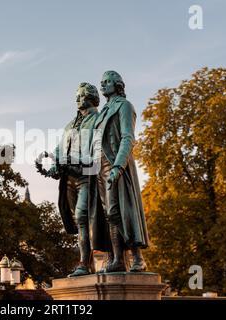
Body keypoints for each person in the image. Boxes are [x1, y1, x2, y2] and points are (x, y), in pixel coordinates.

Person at [38, 82, 110, 277]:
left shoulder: (98, 120)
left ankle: (84, 263)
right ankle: (87, 264)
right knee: (79, 224)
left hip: (87, 177)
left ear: (91, 97)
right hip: (68, 179)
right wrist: (53, 166)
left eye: (80, 95)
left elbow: (98, 151)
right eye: (76, 96)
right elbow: (59, 150)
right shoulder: (70, 125)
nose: (76, 99)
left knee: (82, 217)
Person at [89, 71, 149, 272]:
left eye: (107, 81)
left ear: (118, 84)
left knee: (121, 211)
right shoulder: (103, 112)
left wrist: (118, 166)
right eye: (102, 82)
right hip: (99, 168)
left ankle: (137, 257)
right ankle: (117, 259)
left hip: (115, 165)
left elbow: (127, 138)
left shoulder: (124, 106)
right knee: (109, 215)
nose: (103, 84)